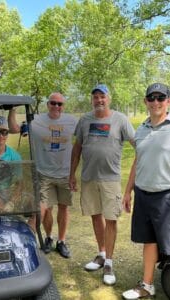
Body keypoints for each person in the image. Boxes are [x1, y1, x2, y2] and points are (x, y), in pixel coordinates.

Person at [69, 84, 135, 285]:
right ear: (92, 100)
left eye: (102, 96)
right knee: (96, 216)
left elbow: (137, 145)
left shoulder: (120, 120)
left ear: (109, 99)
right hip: (89, 178)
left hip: (110, 180)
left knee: (111, 219)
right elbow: (77, 147)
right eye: (95, 97)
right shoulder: (84, 120)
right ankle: (101, 253)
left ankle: (109, 263)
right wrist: (71, 174)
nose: (99, 100)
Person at [8, 92, 78, 258]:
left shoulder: (72, 121)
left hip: (65, 174)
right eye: (53, 103)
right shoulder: (36, 121)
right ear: (48, 104)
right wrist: (12, 109)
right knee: (44, 209)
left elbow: (85, 137)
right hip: (43, 174)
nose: (56, 107)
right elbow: (14, 128)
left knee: (63, 207)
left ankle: (61, 241)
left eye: (60, 104)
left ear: (64, 106)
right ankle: (48, 237)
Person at [122, 83, 170, 299]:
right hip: (143, 194)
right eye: (152, 98)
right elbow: (137, 161)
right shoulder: (140, 129)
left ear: (168, 101)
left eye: (161, 98)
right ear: (146, 102)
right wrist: (128, 190)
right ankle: (147, 285)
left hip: (165, 195)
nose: (156, 102)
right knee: (149, 240)